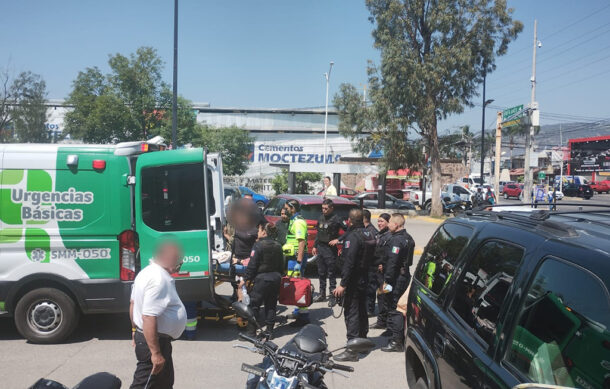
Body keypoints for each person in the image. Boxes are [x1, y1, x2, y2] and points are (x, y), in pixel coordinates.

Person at [130, 238, 186, 389]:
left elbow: (133, 304)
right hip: (154, 344)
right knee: (144, 385)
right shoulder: (159, 279)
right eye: (179, 264)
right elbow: (148, 316)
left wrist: (134, 330)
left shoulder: (146, 272)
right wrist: (155, 353)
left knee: (165, 384)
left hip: (157, 341)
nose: (178, 269)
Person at [333, 208, 372, 362]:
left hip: (354, 281)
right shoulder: (369, 233)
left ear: (349, 220)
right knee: (362, 311)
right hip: (364, 278)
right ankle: (362, 342)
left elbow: (350, 262)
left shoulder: (354, 236)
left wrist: (343, 284)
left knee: (352, 313)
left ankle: (352, 350)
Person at [241, 223, 284, 338]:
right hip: (275, 278)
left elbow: (252, 265)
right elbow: (281, 266)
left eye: (259, 230)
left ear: (264, 232)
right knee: (271, 305)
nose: (257, 232)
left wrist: (246, 280)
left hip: (262, 279)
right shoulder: (278, 245)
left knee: (254, 305)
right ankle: (269, 332)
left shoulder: (258, 246)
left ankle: (251, 333)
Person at [380, 214, 415, 353]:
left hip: (395, 278)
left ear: (397, 225)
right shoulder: (408, 238)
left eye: (391, 223)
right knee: (394, 306)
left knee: (395, 308)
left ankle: (397, 341)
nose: (388, 225)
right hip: (403, 275)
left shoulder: (397, 240)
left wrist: (387, 281)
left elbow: (393, 263)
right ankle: (393, 334)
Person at [282, 199, 310, 325]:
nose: (284, 210)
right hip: (292, 258)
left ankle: (303, 316)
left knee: (298, 286)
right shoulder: (293, 220)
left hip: (296, 259)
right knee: (293, 285)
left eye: (286, 208)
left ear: (292, 208)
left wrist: (299, 261)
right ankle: (298, 311)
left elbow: (301, 242)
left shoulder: (298, 222)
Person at [312, 198, 345, 302]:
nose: (324, 210)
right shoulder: (321, 217)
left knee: (331, 273)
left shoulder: (337, 219)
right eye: (322, 208)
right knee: (321, 272)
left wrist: (338, 240)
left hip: (330, 249)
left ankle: (332, 295)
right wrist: (314, 246)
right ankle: (322, 294)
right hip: (321, 248)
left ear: (331, 208)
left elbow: (348, 231)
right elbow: (318, 232)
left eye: (326, 208)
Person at [367, 212, 389, 318]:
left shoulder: (389, 236)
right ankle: (370, 310)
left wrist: (384, 265)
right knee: (370, 289)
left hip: (382, 269)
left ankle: (383, 317)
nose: (379, 223)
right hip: (373, 267)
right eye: (378, 221)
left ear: (388, 223)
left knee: (383, 294)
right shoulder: (378, 234)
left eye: (382, 221)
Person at [361, 210, 379, 316]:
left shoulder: (371, 231)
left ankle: (370, 309)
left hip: (371, 264)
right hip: (367, 264)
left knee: (370, 287)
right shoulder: (366, 229)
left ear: (364, 218)